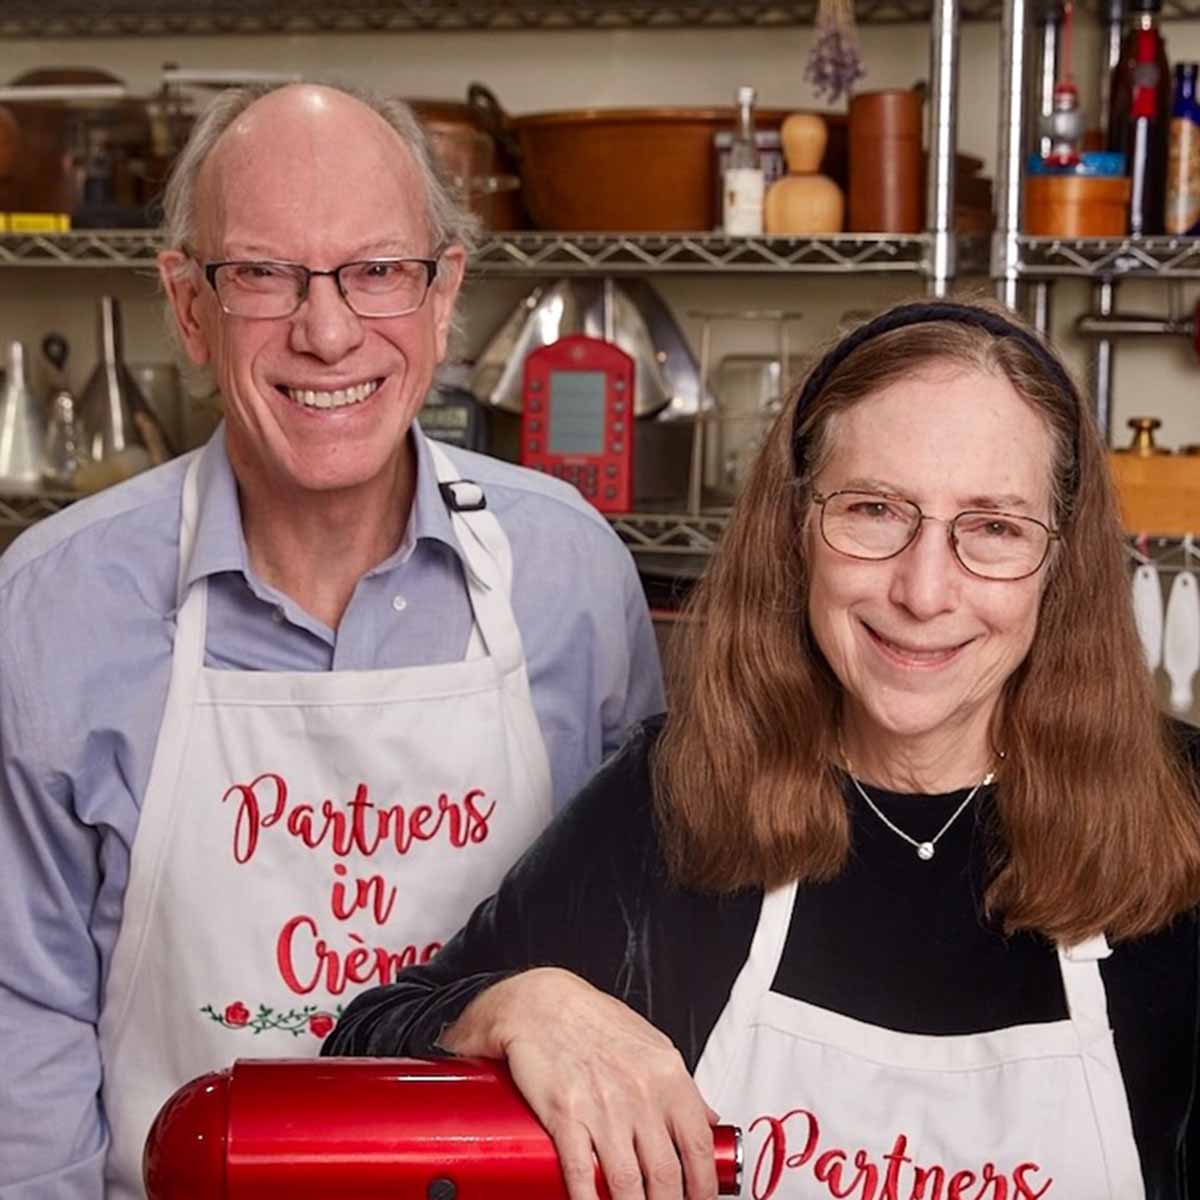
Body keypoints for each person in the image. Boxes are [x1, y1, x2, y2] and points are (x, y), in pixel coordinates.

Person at [327, 299, 1200, 1200]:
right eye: (872, 510)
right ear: (795, 530)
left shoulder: (1186, 814)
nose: (925, 590)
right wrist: (516, 1003)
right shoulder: (674, 798)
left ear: (1062, 565)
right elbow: (360, 1049)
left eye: (994, 528)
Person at [0, 82, 663, 1199]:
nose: (327, 330)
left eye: (378, 269)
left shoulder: (569, 580)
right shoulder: (53, 609)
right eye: (261, 272)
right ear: (187, 304)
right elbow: (24, 1018)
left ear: (443, 292)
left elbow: (641, 957)